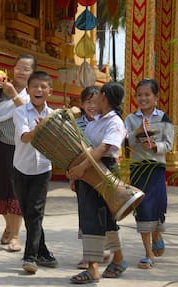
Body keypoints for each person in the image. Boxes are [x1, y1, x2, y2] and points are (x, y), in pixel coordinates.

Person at [67, 82, 127, 284]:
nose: (95, 101)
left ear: (105, 98)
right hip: (88, 169)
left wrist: (82, 169)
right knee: (101, 218)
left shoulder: (115, 122)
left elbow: (102, 149)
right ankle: (118, 258)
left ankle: (93, 268)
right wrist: (78, 174)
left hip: (104, 170)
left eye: (98, 97)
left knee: (93, 217)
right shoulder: (96, 121)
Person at [0, 54, 37, 252]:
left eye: (26, 68)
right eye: (18, 67)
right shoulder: (0, 89)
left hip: (20, 146)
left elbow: (30, 117)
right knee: (0, 188)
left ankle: (15, 235)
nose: (21, 71)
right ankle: (9, 225)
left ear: (33, 74)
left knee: (16, 190)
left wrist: (14, 95)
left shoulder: (33, 93)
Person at [124, 78, 174, 269]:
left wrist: (155, 146)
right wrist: (136, 133)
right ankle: (148, 253)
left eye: (147, 95)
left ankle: (157, 234)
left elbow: (168, 144)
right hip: (138, 169)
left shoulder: (163, 118)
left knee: (158, 207)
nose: (143, 98)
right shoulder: (130, 118)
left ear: (156, 98)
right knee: (143, 208)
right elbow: (123, 142)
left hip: (156, 169)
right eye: (139, 95)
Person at [12, 71, 57, 274]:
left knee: (35, 211)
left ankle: (30, 257)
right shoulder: (20, 112)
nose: (39, 90)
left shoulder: (54, 115)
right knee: (29, 213)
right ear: (28, 90)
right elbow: (25, 138)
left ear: (50, 91)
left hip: (42, 168)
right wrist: (40, 129)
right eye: (35, 86)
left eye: (43, 86)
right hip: (21, 167)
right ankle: (43, 251)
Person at [72, 86, 111, 270]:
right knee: (85, 212)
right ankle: (88, 254)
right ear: (81, 104)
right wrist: (72, 176)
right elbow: (71, 151)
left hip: (102, 171)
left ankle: (101, 251)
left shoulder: (105, 122)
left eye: (95, 101)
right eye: (88, 101)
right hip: (81, 173)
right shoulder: (75, 124)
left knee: (102, 211)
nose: (92, 105)